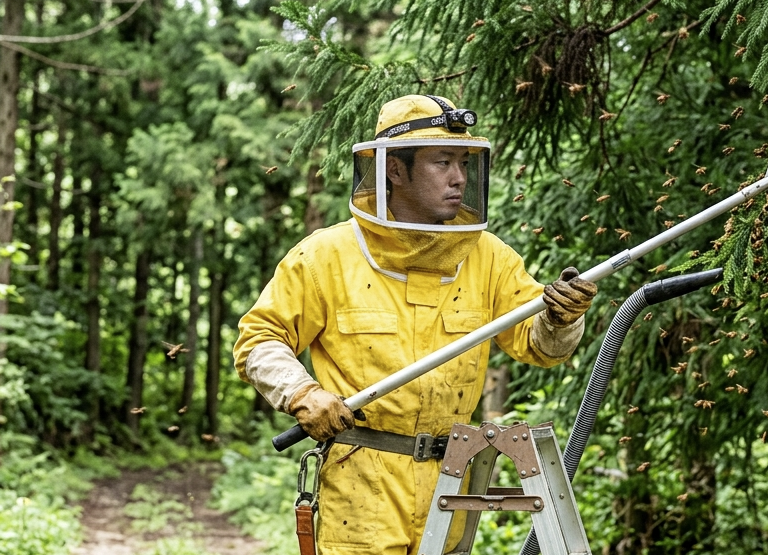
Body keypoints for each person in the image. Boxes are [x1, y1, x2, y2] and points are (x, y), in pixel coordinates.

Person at [233, 94, 597, 555]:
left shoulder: (488, 256)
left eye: (463, 162)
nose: (459, 177)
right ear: (394, 169)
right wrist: (303, 394)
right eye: (441, 162)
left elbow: (541, 347)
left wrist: (561, 317)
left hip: (451, 483)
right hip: (362, 481)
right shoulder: (326, 255)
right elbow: (260, 340)